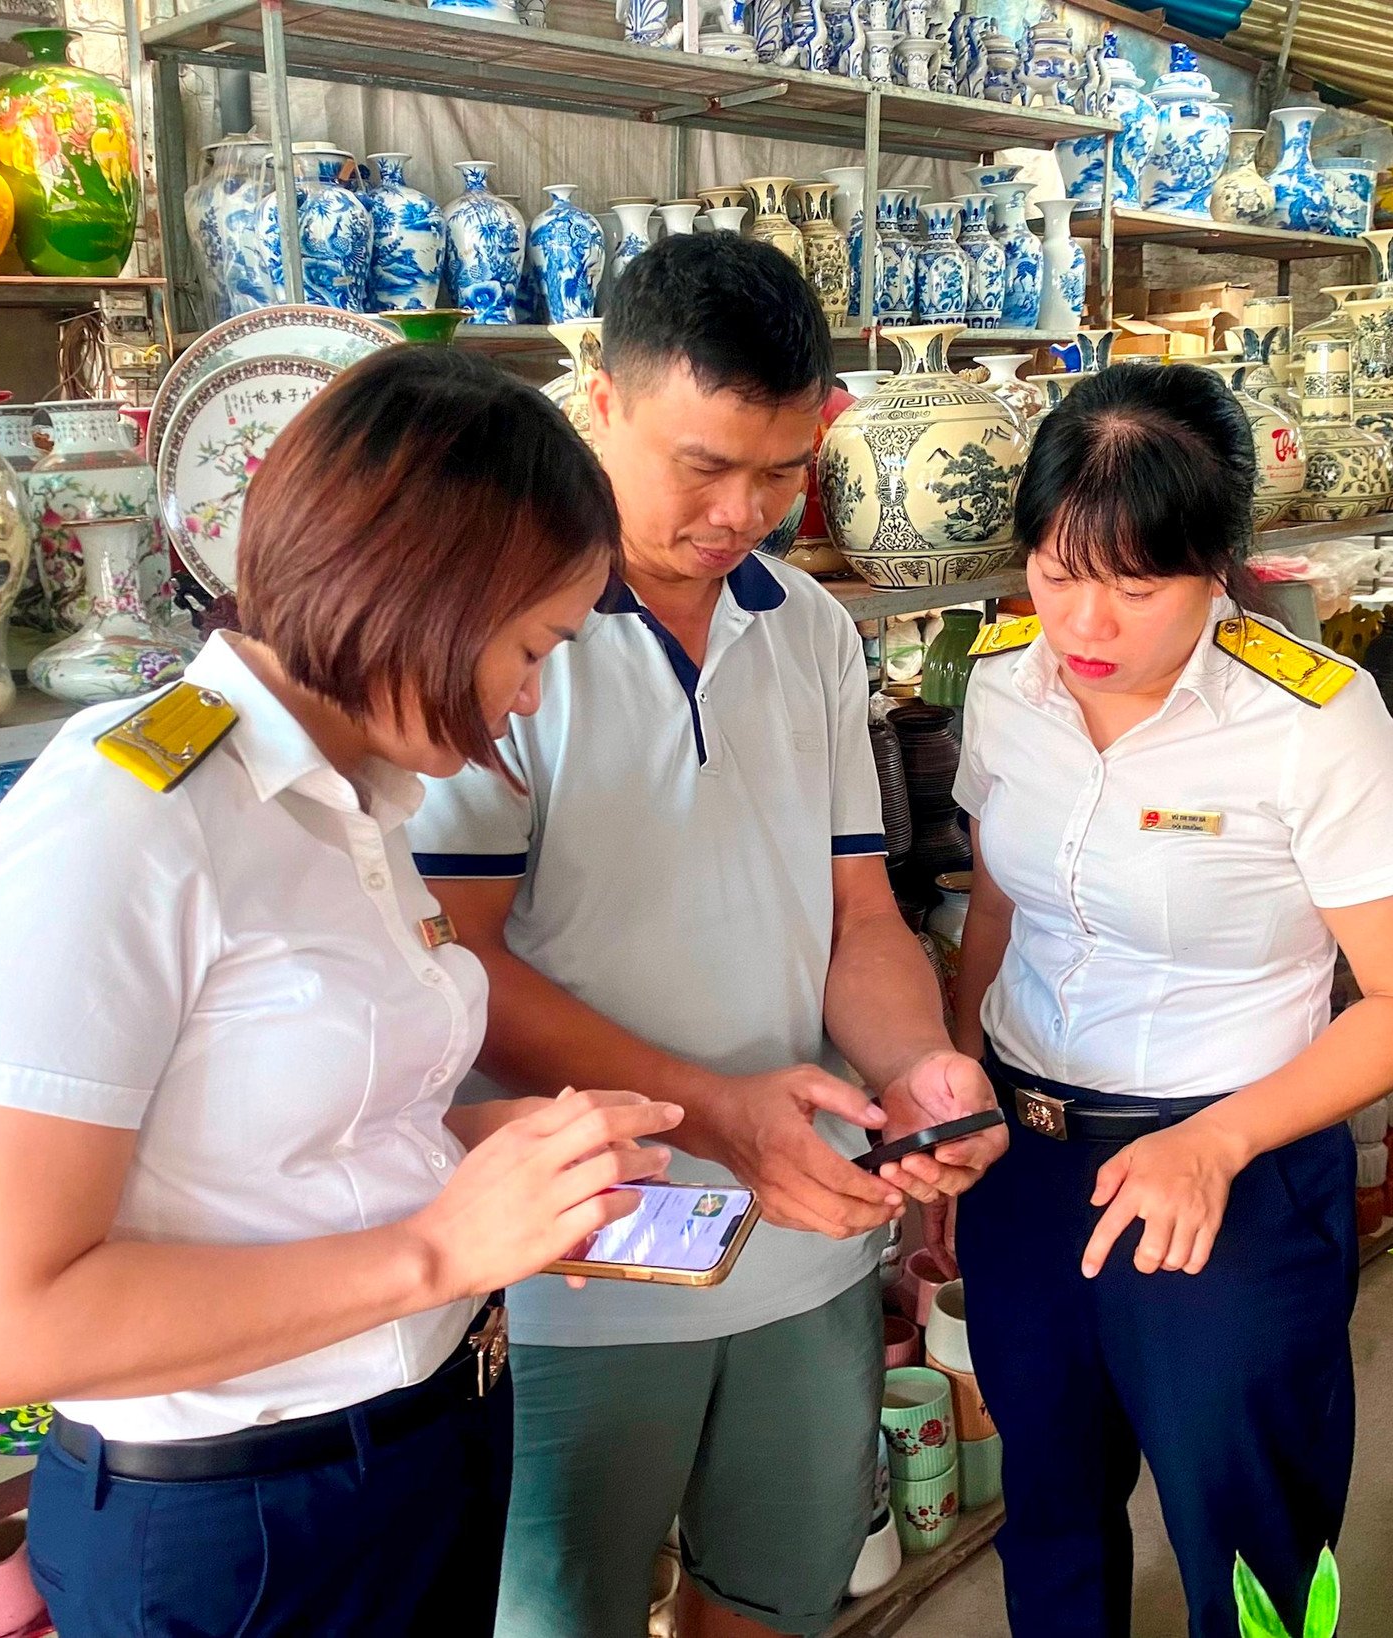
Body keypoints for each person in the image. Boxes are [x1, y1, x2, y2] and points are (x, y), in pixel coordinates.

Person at [0, 349, 684, 1636]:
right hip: (243, 1525)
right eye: (531, 647)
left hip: (420, 1442)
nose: (530, 699)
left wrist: (502, 1161)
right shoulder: (126, 820)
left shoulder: (358, 802)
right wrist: (438, 1246)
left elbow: (286, 1135)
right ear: (422, 591)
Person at [410, 232, 1006, 1638]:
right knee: (566, 1612)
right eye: (704, 465)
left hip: (808, 1233)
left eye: (783, 469)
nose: (744, 510)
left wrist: (918, 1062)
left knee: (776, 1596)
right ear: (598, 403)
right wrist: (720, 1117)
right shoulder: (499, 632)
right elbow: (457, 961)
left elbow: (859, 907)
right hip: (583, 1265)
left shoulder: (803, 626)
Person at [948, 364, 1393, 1638]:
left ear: (1220, 563)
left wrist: (1216, 1140)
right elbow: (1000, 911)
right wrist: (955, 1097)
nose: (1088, 622)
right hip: (1027, 1156)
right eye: (1059, 574)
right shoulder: (1004, 681)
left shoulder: (1315, 722)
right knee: (1052, 1513)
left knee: (1249, 1540)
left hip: (1229, 1175)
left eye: (1138, 585)